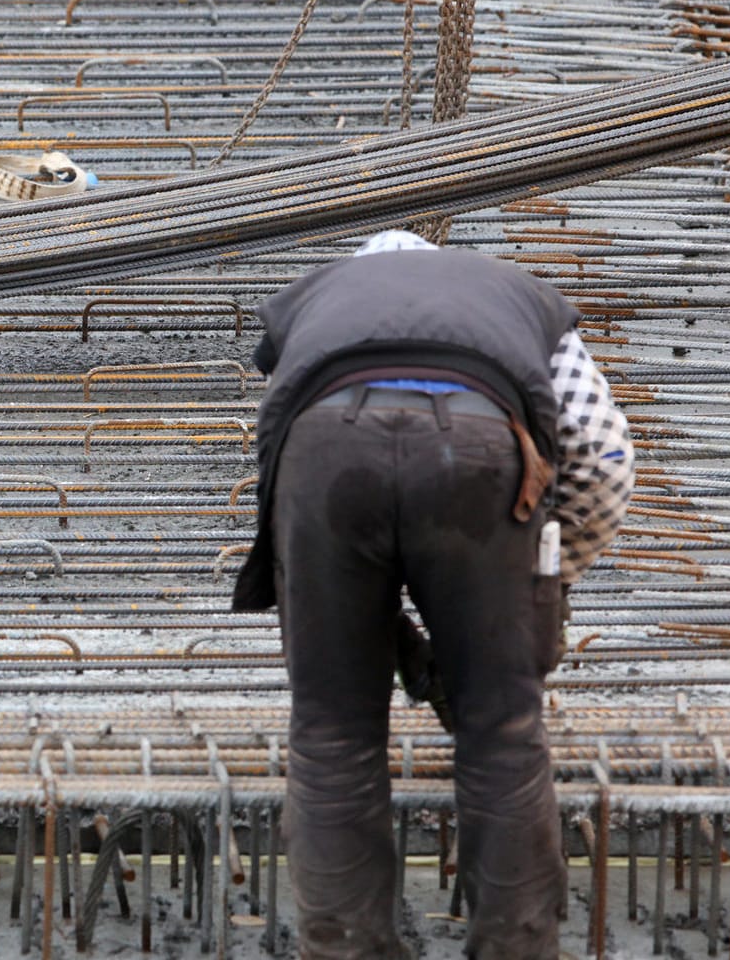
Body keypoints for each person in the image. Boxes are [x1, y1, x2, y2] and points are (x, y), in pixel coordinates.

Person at [232, 230, 634, 959]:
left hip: (323, 455)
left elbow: (281, 475)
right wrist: (544, 581)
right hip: (480, 452)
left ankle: (346, 948)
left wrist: (383, 627)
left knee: (332, 733)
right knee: (502, 729)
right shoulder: (513, 292)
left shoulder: (324, 300)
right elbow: (603, 454)